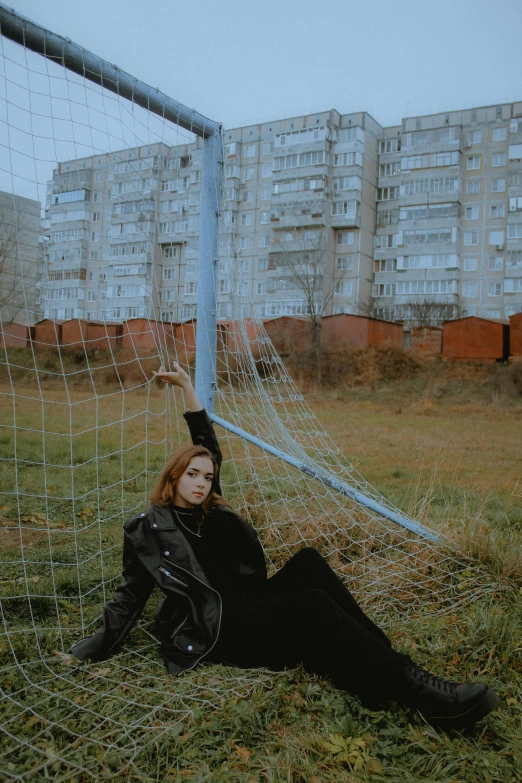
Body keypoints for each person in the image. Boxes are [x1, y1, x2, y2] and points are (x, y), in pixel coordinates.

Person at [70, 363, 499, 731]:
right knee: (310, 604)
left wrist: (187, 388)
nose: (201, 483)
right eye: (192, 475)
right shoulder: (147, 530)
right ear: (172, 478)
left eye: (206, 476)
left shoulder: (210, 511)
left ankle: (385, 660)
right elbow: (130, 596)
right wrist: (87, 651)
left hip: (249, 603)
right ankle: (420, 692)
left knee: (309, 562)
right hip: (218, 627)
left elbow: (209, 446)